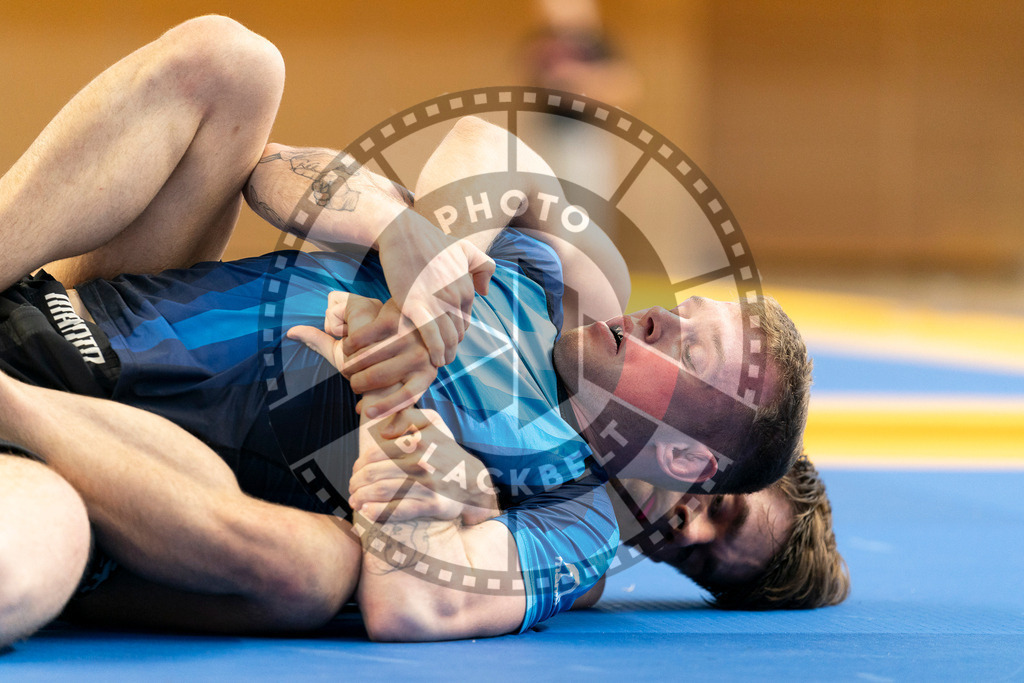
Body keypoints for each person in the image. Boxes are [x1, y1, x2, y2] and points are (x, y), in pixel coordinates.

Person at [0, 15, 812, 643]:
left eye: (704, 542)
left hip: (116, 453)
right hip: (89, 315)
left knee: (312, 570)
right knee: (235, 60)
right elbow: (294, 170)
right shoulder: (553, 284)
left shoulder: (567, 524)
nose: (683, 521)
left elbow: (414, 600)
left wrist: (405, 429)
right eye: (686, 318)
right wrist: (415, 242)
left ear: (692, 458)